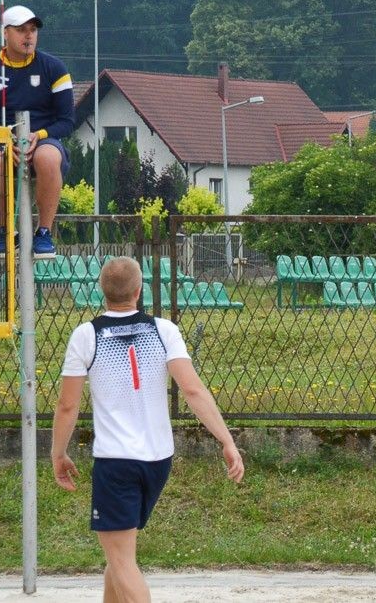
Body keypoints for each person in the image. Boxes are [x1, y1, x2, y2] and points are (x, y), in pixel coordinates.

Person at [51, 256, 244, 602]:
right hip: (158, 460)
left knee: (122, 561)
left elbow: (67, 406)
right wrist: (226, 440)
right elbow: (193, 390)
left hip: (116, 462)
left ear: (101, 292)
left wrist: (58, 453)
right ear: (139, 291)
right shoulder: (163, 329)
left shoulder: (86, 335)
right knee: (118, 555)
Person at [0, 5, 74, 258]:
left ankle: (44, 233)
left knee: (47, 156)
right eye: (22, 30)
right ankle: (6, 232)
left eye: (33, 30)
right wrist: (4, 142)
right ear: (6, 33)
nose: (29, 36)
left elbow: (67, 121)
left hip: (43, 142)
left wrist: (39, 136)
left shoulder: (54, 68)